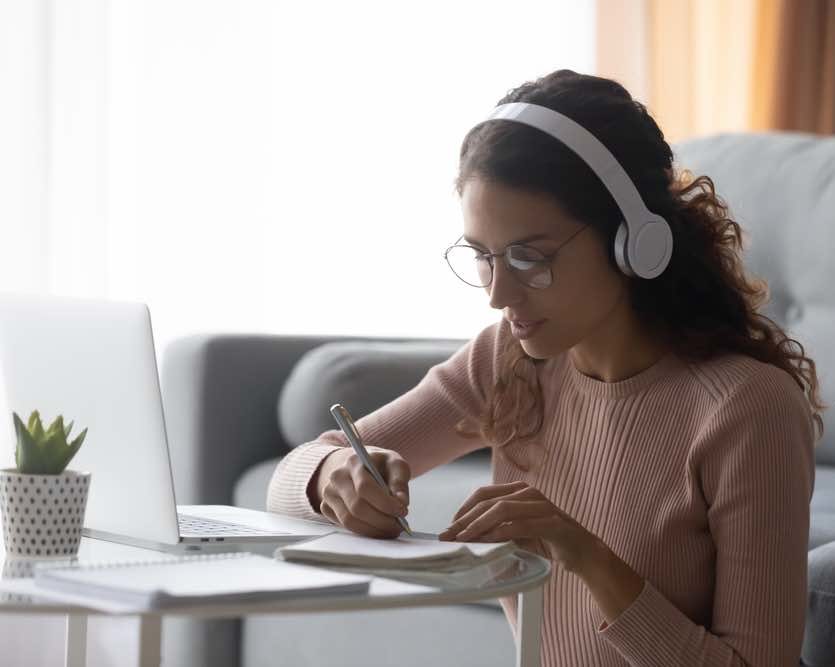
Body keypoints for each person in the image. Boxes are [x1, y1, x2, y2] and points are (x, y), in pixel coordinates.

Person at [266, 69, 825, 665]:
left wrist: (587, 556)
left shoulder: (746, 408)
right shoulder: (505, 359)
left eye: (530, 258)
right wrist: (333, 478)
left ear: (633, 242)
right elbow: (286, 482)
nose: (498, 295)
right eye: (483, 257)